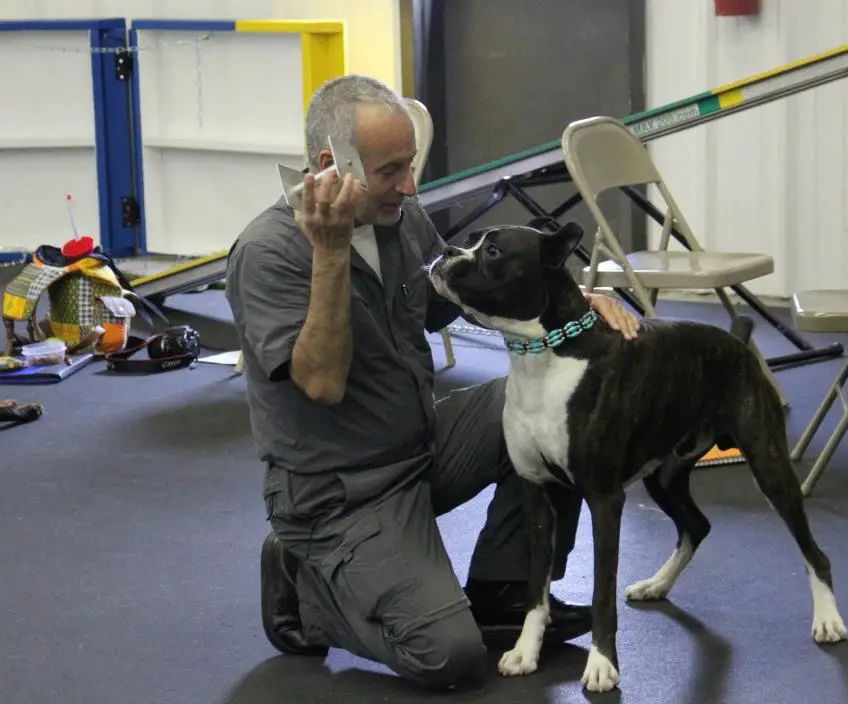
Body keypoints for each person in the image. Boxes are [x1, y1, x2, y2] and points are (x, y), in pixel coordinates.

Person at [224, 74, 641, 691]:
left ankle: (504, 588)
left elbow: (458, 296)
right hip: (339, 493)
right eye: (392, 170)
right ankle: (303, 581)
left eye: (410, 165)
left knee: (562, 408)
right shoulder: (268, 253)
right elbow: (320, 383)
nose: (410, 186)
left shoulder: (397, 217)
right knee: (448, 655)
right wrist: (332, 253)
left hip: (422, 444)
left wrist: (579, 296)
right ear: (329, 165)